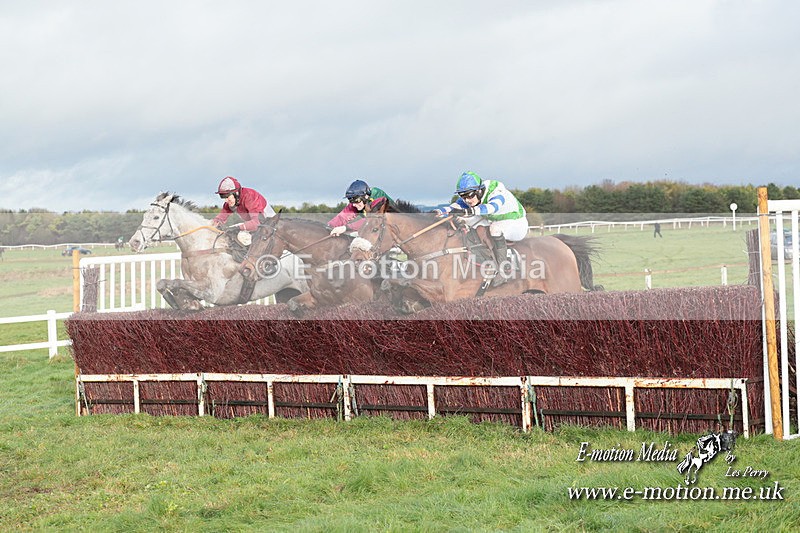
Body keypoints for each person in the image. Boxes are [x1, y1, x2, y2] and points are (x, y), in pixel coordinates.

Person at [434, 171, 527, 286]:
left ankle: (503, 271)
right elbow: (455, 206)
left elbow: (492, 207)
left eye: (469, 196)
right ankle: (482, 260)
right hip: (493, 219)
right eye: (463, 197)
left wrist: (468, 211)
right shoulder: (472, 196)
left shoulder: (496, 189)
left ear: (479, 190)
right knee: (466, 221)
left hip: (516, 222)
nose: (467, 200)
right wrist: (439, 212)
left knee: (495, 229)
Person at [328, 179, 393, 236]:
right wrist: (328, 228)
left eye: (356, 201)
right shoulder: (358, 202)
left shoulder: (377, 197)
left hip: (395, 227)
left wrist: (345, 228)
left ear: (366, 196)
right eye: (351, 201)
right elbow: (342, 217)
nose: (354, 204)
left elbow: (371, 221)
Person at [211, 176, 276, 232]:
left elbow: (257, 223)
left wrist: (237, 228)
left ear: (236, 193)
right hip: (256, 226)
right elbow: (220, 218)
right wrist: (212, 224)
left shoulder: (250, 196)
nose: (226, 200)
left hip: (269, 226)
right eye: (223, 197)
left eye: (227, 196)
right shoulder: (232, 201)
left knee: (233, 230)